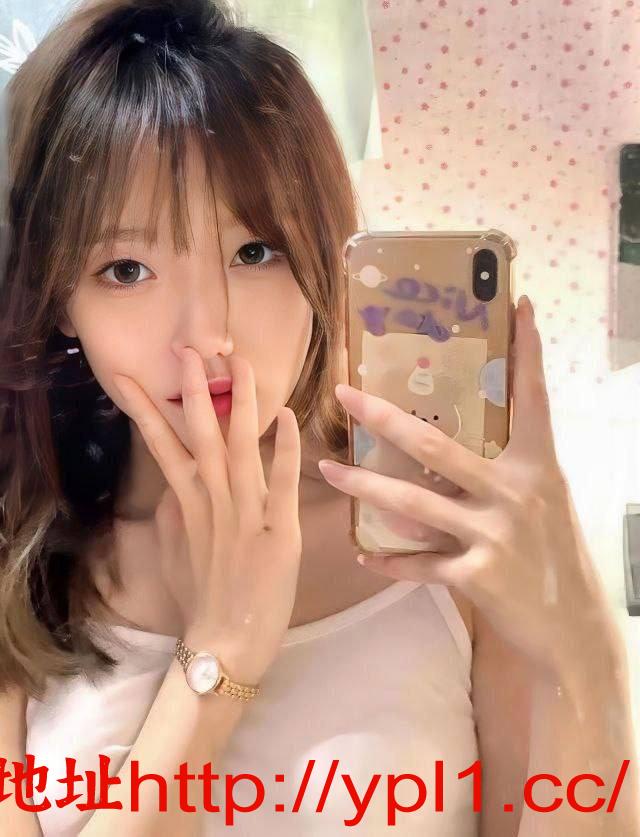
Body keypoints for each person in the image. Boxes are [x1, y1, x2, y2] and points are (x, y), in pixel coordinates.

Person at [0, 1, 638, 835]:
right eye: (126, 268)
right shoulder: (23, 575)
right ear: (58, 299)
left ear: (323, 259)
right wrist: (218, 656)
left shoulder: (442, 538)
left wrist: (581, 637)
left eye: (253, 251)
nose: (207, 334)